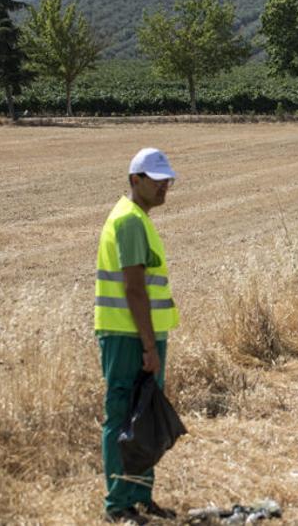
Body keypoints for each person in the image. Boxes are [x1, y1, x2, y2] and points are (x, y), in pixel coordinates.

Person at [95, 148, 181, 524]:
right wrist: (148, 345)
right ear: (135, 180)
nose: (164, 187)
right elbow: (134, 289)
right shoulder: (130, 221)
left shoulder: (138, 219)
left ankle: (141, 499)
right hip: (127, 336)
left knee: (143, 417)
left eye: (167, 180)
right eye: (157, 180)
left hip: (140, 334)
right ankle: (120, 505)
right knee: (123, 416)